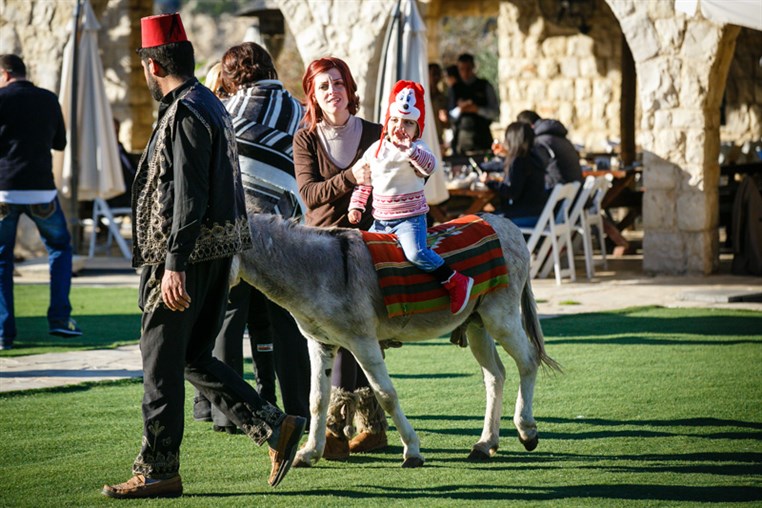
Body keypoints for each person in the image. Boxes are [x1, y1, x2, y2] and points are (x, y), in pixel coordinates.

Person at [101, 14, 306, 499]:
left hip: (185, 260)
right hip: (212, 256)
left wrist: (173, 265)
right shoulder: (208, 103)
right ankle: (272, 426)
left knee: (159, 363)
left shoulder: (187, 111)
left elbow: (188, 195)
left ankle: (158, 469)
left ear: (153, 66)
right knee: (192, 356)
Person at [191, 41, 311, 434]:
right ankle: (299, 408)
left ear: (230, 74)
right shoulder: (299, 110)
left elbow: (216, 170)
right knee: (287, 320)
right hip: (284, 232)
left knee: (228, 317)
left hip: (236, 228)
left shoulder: (227, 110)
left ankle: (228, 415)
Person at [292, 56, 387, 461]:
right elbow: (309, 194)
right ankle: (360, 424)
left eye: (338, 83)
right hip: (321, 250)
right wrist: (352, 177)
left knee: (357, 332)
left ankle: (348, 426)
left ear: (349, 87)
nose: (332, 91)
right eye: (323, 85)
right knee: (336, 334)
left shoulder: (378, 133)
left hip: (368, 246)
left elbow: (395, 184)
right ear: (312, 93)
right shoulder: (305, 138)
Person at [348, 80, 473, 315]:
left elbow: (430, 167)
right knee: (371, 256)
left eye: (408, 123)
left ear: (417, 128)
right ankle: (385, 298)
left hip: (410, 219)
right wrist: (356, 206)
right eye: (395, 120)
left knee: (415, 252)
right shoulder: (375, 149)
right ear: (387, 122)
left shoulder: (418, 149)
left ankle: (455, 280)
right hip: (381, 219)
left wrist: (410, 151)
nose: (400, 127)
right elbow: (364, 181)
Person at [0, 53, 82, 351]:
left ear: (5, 74)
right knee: (59, 249)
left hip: (3, 191)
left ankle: (3, 332)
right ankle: (60, 319)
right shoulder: (48, 99)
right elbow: (59, 143)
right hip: (42, 191)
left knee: (1, 259)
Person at [481, 122, 547, 227]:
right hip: (538, 213)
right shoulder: (534, 157)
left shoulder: (518, 160)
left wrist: (489, 182)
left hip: (524, 216)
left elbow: (511, 192)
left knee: (479, 221)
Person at [447, 53, 499, 155]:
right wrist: (460, 109)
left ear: (473, 68)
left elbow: (495, 112)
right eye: (462, 69)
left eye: (468, 69)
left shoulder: (484, 86)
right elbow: (450, 116)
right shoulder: (454, 89)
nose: (465, 73)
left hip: (483, 138)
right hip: (462, 141)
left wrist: (477, 110)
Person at [517, 110, 583, 187]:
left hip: (557, 190)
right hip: (573, 190)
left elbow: (533, 171)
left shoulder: (541, 142)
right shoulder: (560, 137)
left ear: (530, 127)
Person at [428, 63, 448, 151]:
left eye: (438, 74)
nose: (436, 77)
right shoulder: (421, 96)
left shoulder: (441, 97)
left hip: (438, 138)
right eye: (433, 74)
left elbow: (446, 124)